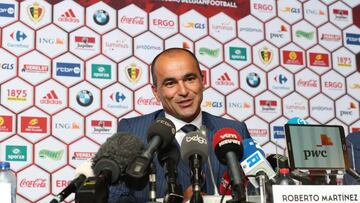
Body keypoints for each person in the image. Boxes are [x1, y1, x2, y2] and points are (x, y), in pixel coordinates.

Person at [108, 48, 251, 203]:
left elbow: (257, 191)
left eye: (190, 79)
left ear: (202, 81)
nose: (183, 91)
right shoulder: (132, 131)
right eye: (170, 83)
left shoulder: (235, 131)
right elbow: (116, 198)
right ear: (156, 92)